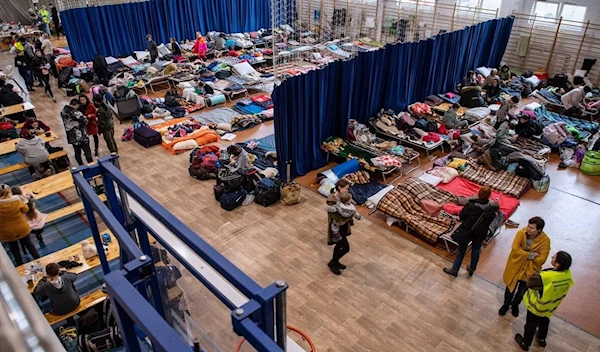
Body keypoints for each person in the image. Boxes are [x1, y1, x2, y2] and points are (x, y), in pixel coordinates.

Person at [515, 251, 574, 351]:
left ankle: (525, 343)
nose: (552, 257)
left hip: (537, 306)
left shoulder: (546, 277)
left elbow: (530, 283)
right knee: (545, 321)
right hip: (550, 306)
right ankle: (542, 339)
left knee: (531, 324)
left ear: (558, 264)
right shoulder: (567, 275)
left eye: (554, 257)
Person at [500, 217, 551, 318]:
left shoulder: (545, 241)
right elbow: (515, 249)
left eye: (532, 228)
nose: (528, 229)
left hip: (530, 270)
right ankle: (506, 305)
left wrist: (523, 253)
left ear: (539, 230)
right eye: (528, 226)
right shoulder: (521, 233)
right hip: (516, 265)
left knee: (522, 291)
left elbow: (542, 259)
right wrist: (532, 255)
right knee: (510, 287)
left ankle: (515, 305)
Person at [443, 186, 498, 277]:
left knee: (461, 250)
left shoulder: (471, 205)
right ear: (489, 196)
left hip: (468, 230)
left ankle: (455, 270)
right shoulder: (491, 209)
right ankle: (472, 269)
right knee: (476, 250)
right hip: (481, 233)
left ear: (478, 193)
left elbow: (462, 216)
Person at [0, 184, 40, 266]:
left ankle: (20, 267)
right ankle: (39, 261)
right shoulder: (16, 200)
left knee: (15, 250)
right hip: (21, 228)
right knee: (29, 245)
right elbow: (26, 209)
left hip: (7, 232)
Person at [326, 180, 356, 275]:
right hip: (336, 226)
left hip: (343, 226)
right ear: (340, 187)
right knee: (345, 247)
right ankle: (333, 262)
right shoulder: (332, 199)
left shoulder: (344, 197)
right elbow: (333, 214)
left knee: (339, 245)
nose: (347, 190)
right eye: (346, 188)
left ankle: (335, 262)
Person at [61, 99, 93, 165]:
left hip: (71, 135)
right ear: (76, 104)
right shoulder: (76, 112)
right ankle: (91, 165)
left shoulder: (63, 111)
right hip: (81, 135)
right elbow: (85, 121)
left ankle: (81, 165)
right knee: (87, 152)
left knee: (77, 152)